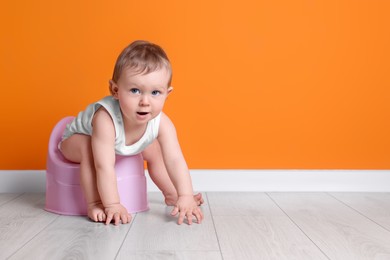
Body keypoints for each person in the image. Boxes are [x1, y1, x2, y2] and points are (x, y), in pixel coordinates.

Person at [59, 40, 204, 225]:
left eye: (155, 92)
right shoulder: (105, 119)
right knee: (90, 149)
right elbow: (103, 165)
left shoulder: (162, 123)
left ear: (167, 94)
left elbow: (175, 159)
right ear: (115, 90)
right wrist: (112, 204)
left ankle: (172, 194)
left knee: (155, 150)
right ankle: (94, 202)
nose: (145, 101)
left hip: (119, 143)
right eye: (135, 90)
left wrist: (186, 194)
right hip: (75, 141)